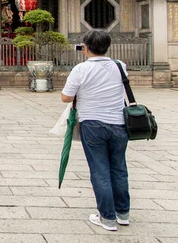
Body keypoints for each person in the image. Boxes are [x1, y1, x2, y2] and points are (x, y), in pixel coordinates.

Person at [60, 29, 130, 232]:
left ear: (85, 47)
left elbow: (66, 97)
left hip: (92, 124)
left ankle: (107, 217)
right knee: (119, 169)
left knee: (100, 170)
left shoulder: (81, 69)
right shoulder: (120, 66)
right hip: (119, 123)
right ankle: (122, 214)